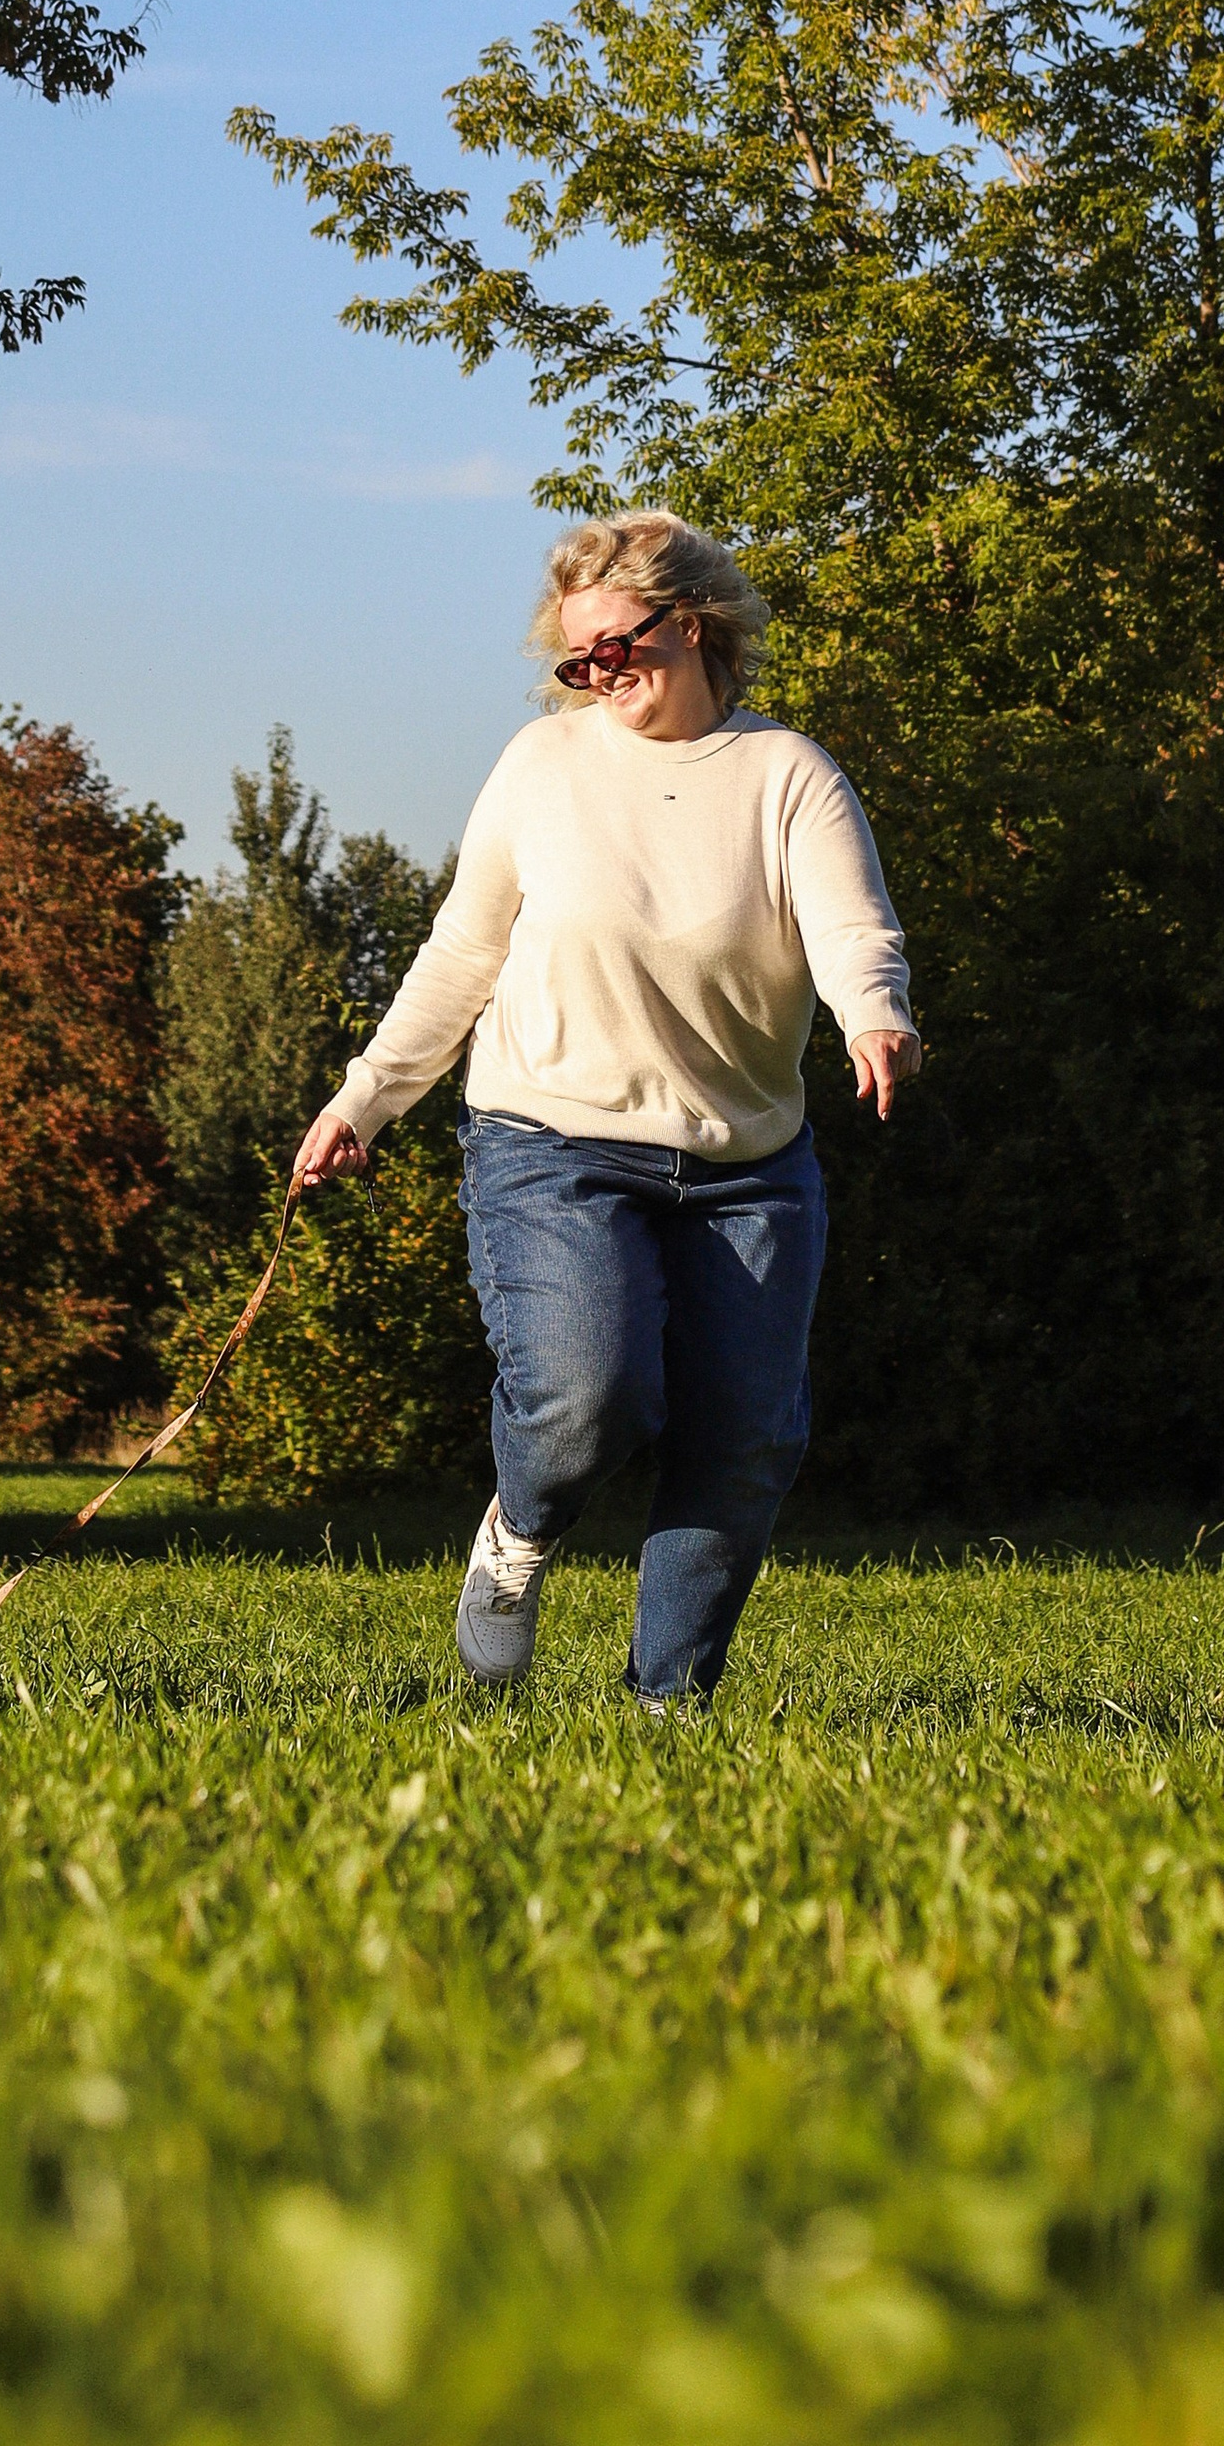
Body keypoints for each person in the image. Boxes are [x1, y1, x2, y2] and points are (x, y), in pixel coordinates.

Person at [291, 510, 919, 1701]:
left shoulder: (787, 775)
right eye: (575, 662)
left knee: (742, 1442)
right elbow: (461, 952)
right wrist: (364, 1099)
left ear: (690, 625)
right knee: (589, 1392)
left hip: (746, 1162)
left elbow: (849, 927)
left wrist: (873, 1015)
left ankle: (667, 1707)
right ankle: (514, 1543)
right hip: (551, 1139)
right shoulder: (545, 764)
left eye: (614, 649)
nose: (594, 677)